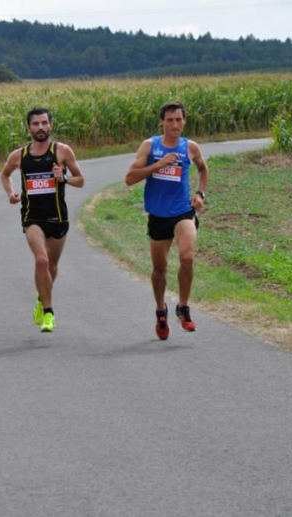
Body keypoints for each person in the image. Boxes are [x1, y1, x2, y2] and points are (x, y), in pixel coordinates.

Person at [125, 100, 209, 340]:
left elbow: (203, 169)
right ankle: (161, 310)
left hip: (183, 211)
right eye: (170, 120)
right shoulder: (150, 146)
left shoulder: (190, 147)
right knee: (159, 270)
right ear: (162, 121)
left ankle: (183, 307)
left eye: (179, 120)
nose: (175, 124)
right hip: (158, 215)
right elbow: (129, 178)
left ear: (184, 121)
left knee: (187, 256)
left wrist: (200, 194)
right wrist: (158, 164)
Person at [0, 108, 84, 332]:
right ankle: (49, 313)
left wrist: (63, 178)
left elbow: (80, 180)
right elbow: (5, 174)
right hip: (32, 217)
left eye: (44, 123)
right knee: (41, 260)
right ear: (29, 128)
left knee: (52, 266)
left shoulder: (62, 151)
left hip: (57, 217)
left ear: (51, 125)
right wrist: (11, 193)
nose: (40, 128)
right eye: (35, 124)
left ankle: (41, 298)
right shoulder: (20, 155)